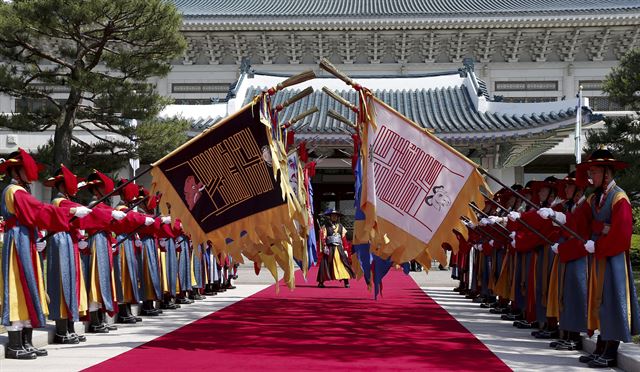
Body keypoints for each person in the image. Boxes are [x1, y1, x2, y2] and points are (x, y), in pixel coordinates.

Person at [540, 149, 640, 368]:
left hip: (612, 259)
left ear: (606, 173)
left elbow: (621, 235)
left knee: (611, 301)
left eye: (594, 172)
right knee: (599, 302)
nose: (591, 176)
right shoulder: (594, 197)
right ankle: (602, 345)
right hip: (597, 254)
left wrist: (600, 241)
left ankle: (611, 348)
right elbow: (578, 222)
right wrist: (558, 216)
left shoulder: (619, 198)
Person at [0, 149, 92, 359]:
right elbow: (38, 210)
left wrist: (37, 237)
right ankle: (15, 344)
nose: (29, 174)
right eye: (25, 169)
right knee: (19, 288)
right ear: (16, 171)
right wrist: (69, 212)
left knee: (31, 287)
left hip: (26, 238)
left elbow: (34, 214)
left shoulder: (19, 190)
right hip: (19, 240)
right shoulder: (14, 190)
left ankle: (25, 341)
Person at [316, 209, 355, 288]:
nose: (334, 217)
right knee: (325, 265)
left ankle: (346, 281)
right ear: (330, 217)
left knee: (343, 264)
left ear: (337, 217)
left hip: (339, 248)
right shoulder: (325, 227)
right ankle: (321, 282)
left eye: (336, 216)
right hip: (329, 248)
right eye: (333, 216)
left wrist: (345, 249)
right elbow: (323, 237)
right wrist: (324, 246)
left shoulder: (341, 227)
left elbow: (344, 239)